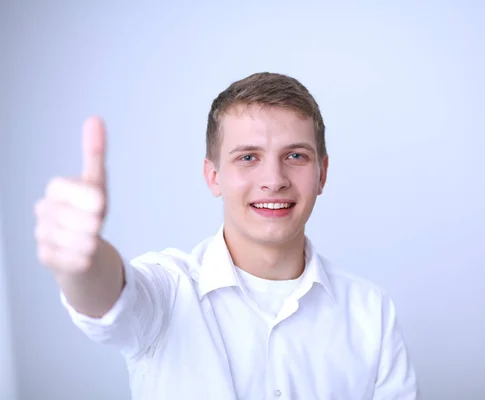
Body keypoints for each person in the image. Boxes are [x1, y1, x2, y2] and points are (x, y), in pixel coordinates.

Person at [34, 72, 419, 399]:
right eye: (248, 157)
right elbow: (110, 299)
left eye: (296, 156)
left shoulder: (371, 313)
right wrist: (80, 264)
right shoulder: (168, 291)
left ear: (322, 173)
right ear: (212, 175)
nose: (274, 180)